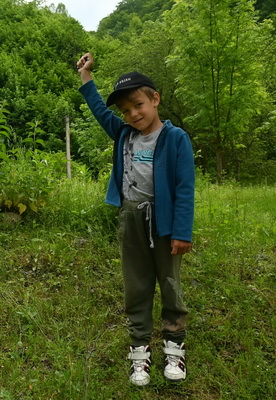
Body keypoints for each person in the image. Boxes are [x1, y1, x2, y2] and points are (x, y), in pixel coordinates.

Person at [76, 53, 194, 386]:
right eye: (126, 111)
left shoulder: (175, 138)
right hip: (131, 218)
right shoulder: (124, 134)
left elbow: (185, 188)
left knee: (170, 284)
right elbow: (100, 110)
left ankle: (174, 344)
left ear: (155, 99)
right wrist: (86, 76)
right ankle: (140, 347)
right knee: (136, 284)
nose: (133, 114)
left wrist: (182, 232)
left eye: (138, 105)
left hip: (165, 222)